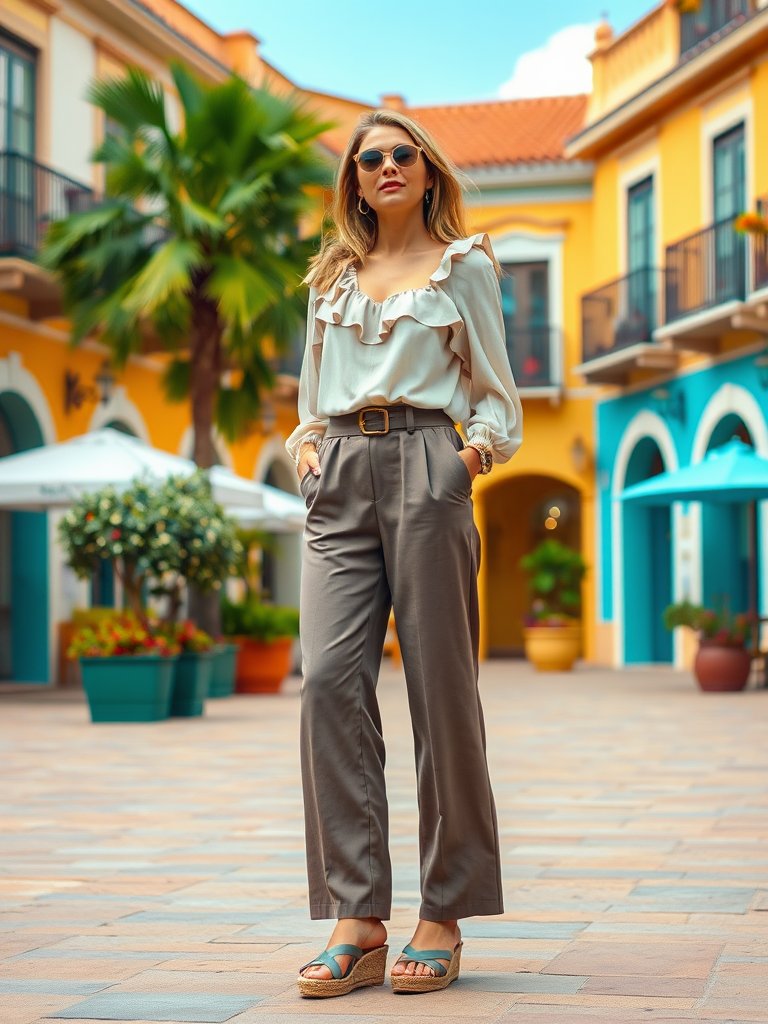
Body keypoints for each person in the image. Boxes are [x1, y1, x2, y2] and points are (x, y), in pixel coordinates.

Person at [285, 109, 523, 998]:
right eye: (368, 157)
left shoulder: (466, 269)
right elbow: (310, 401)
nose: (385, 165)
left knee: (441, 691)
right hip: (338, 472)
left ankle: (444, 912)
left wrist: (465, 464)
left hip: (429, 461)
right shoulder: (331, 280)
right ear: (353, 180)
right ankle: (359, 916)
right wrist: (307, 455)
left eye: (401, 154)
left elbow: (498, 396)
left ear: (426, 172)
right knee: (326, 683)